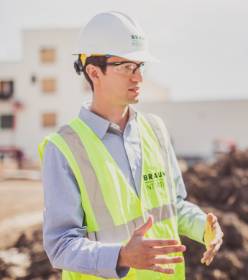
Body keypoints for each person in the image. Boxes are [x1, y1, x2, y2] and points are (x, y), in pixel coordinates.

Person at [39, 11, 223, 279]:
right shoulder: (64, 148)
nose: (138, 78)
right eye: (127, 67)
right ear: (94, 72)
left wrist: (204, 228)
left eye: (140, 67)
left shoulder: (155, 130)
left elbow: (174, 206)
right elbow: (60, 246)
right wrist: (121, 256)